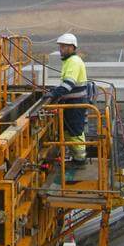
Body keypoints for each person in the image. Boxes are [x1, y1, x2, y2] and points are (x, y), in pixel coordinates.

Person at [48, 33, 89, 171]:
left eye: (64, 46)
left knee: (75, 132)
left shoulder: (74, 62)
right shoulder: (69, 61)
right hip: (72, 102)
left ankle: (80, 161)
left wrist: (53, 94)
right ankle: (76, 158)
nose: (61, 49)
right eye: (60, 46)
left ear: (72, 47)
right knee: (68, 131)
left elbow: (68, 85)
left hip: (75, 103)